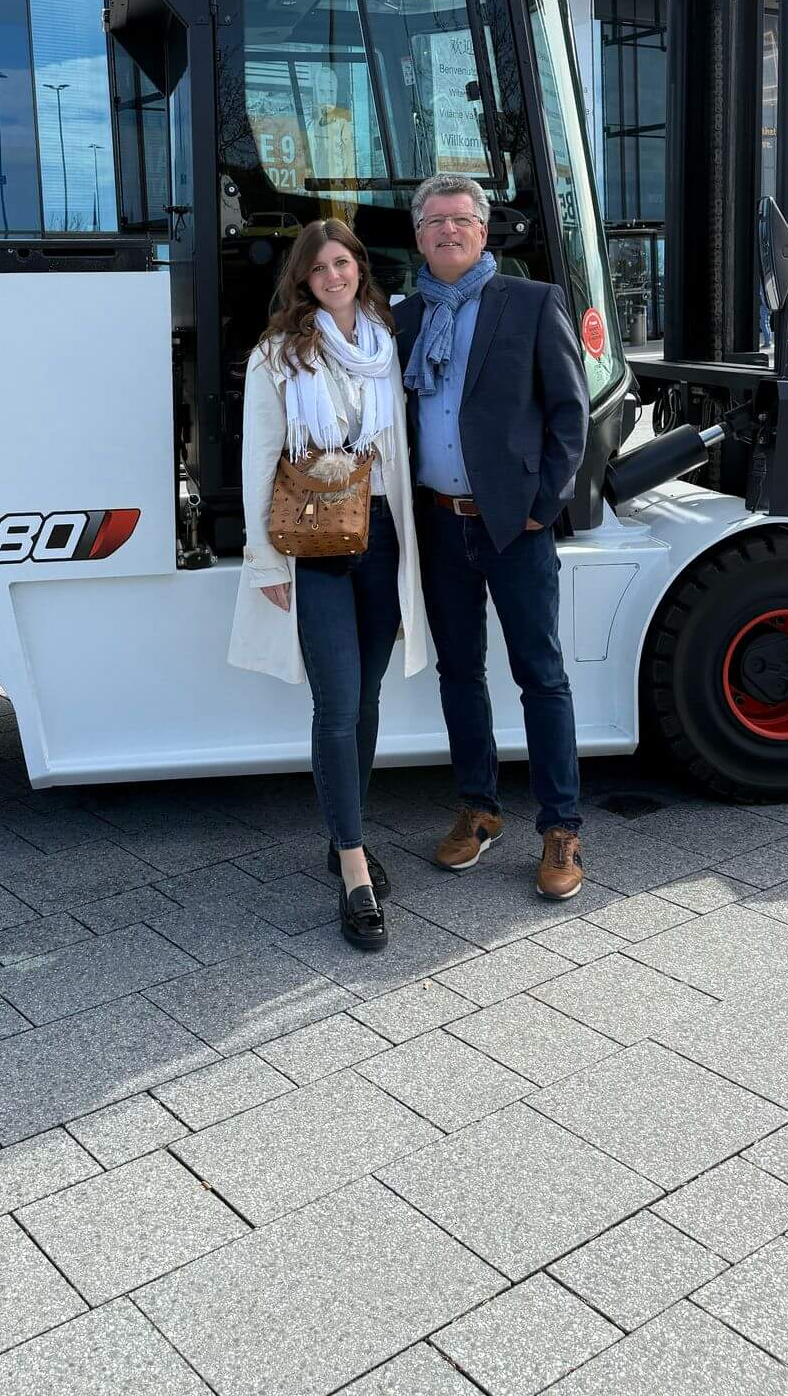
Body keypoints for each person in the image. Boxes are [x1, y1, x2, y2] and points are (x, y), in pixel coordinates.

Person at [229, 219, 426, 950]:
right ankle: (353, 870)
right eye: (320, 269)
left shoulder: (388, 340)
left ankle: (346, 832)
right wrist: (264, 559)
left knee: (368, 697)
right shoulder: (279, 354)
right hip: (311, 545)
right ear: (304, 281)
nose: (334, 276)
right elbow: (260, 459)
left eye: (342, 262)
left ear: (359, 267)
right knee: (337, 702)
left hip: (380, 537)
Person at [395, 173, 590, 901]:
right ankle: (479, 808)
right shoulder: (406, 318)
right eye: (434, 221)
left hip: (515, 527)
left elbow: (569, 414)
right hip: (440, 525)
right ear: (418, 237)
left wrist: (544, 505)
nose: (448, 229)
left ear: (484, 231)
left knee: (540, 675)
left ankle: (561, 827)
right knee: (458, 673)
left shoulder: (531, 302)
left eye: (461, 219)